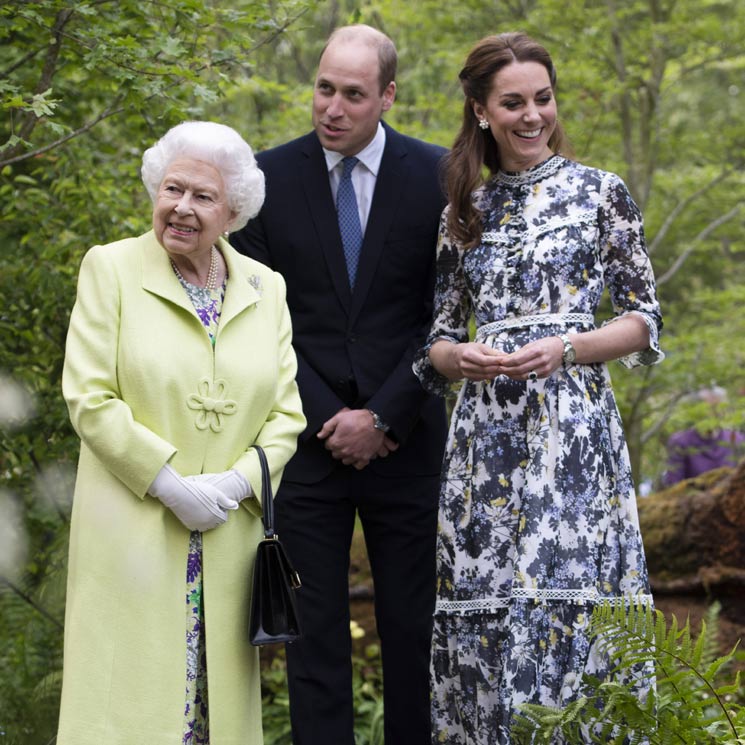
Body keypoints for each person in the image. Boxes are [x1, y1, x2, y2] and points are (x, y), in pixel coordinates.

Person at [413, 33, 664, 743]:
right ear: (480, 111)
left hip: (572, 431)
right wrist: (460, 356)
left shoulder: (598, 193)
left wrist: (567, 348)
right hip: (484, 443)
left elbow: (643, 320)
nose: (532, 116)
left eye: (542, 99)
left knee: (576, 603)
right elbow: (432, 343)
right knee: (485, 612)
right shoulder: (462, 211)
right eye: (513, 102)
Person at [231, 24, 448, 745]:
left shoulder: (439, 176)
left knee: (415, 636)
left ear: (387, 95)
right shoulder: (263, 184)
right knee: (312, 642)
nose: (331, 107)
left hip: (409, 442)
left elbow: (444, 314)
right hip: (306, 446)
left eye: (352, 94)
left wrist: (384, 413)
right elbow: (261, 320)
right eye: (324, 88)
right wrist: (336, 419)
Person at [57, 121, 306, 745]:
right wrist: (168, 482)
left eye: (203, 197)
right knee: (127, 711)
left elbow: (286, 415)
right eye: (173, 189)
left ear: (234, 211)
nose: (182, 208)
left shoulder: (264, 287)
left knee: (212, 714)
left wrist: (233, 484)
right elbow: (89, 397)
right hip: (133, 537)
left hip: (226, 539)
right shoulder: (110, 269)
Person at [663, 387, 745, 485]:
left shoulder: (737, 440)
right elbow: (673, 485)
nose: (712, 414)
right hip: (692, 498)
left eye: (717, 408)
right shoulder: (681, 441)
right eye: (708, 408)